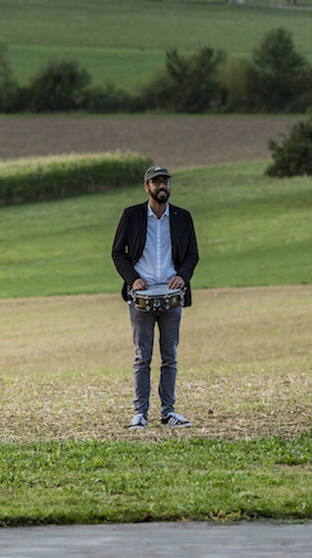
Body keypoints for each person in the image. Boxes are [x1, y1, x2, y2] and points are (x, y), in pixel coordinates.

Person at [111, 165, 199, 429]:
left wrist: (182, 276)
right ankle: (140, 413)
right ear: (146, 187)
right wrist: (132, 279)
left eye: (166, 182)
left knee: (170, 356)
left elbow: (192, 254)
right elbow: (118, 253)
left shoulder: (183, 217)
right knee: (142, 356)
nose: (162, 187)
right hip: (141, 298)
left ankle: (168, 412)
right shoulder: (132, 216)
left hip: (172, 297)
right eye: (156, 182)